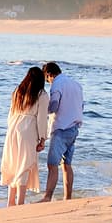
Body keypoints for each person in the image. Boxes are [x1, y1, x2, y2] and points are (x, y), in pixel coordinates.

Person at [0, 66, 47, 206]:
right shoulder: (41, 94)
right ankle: (20, 202)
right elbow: (42, 118)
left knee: (14, 163)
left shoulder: (17, 91)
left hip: (13, 127)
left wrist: (10, 129)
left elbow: (10, 113)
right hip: (28, 128)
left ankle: (10, 201)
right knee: (25, 164)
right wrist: (42, 138)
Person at [41, 60, 84, 202]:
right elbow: (81, 105)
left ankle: (47, 197)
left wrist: (42, 111)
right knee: (67, 164)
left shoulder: (57, 85)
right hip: (74, 128)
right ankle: (68, 197)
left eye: (46, 79)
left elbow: (54, 105)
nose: (48, 82)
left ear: (49, 74)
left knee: (52, 164)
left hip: (61, 128)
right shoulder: (76, 84)